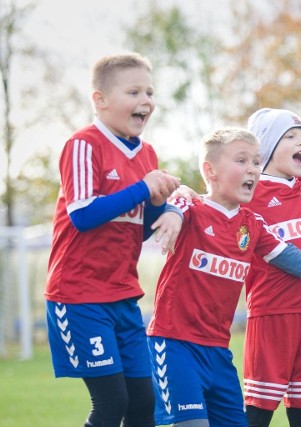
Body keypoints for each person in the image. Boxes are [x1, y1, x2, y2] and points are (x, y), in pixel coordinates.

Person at [146, 128, 301, 427]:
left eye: (256, 161)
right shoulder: (191, 206)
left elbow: (298, 261)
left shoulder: (251, 224)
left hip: (218, 351)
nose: (252, 169)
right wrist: (173, 208)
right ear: (209, 170)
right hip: (176, 345)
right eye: (242, 161)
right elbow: (171, 203)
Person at [44, 52, 182, 427]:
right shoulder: (83, 145)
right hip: (79, 296)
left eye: (150, 92)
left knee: (143, 404)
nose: (146, 101)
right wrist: (143, 187)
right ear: (100, 100)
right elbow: (84, 215)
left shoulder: (147, 153)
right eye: (133, 91)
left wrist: (170, 211)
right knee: (110, 404)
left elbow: (146, 210)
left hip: (122, 295)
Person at [241, 108, 301, 427]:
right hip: (272, 315)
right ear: (265, 146)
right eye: (290, 136)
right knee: (259, 411)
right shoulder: (249, 192)